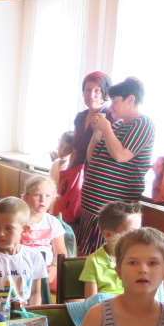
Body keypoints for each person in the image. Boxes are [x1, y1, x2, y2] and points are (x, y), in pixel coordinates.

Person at [77, 77, 156, 256]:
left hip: (112, 205)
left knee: (108, 255)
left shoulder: (143, 123)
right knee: (87, 256)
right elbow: (92, 158)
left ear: (130, 100)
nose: (111, 106)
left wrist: (106, 129)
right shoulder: (118, 125)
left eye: (115, 101)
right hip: (92, 203)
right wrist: (97, 133)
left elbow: (121, 155)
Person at [59, 73, 115, 229]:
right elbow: (75, 150)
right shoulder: (80, 116)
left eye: (97, 90)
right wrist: (68, 174)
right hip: (76, 176)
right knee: (70, 221)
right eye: (88, 90)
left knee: (90, 225)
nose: (92, 95)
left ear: (105, 93)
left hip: (96, 179)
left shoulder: (111, 117)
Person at [0, 198, 46, 309]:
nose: (1, 233)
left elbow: (35, 293)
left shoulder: (34, 256)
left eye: (9, 228)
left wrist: (31, 315)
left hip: (24, 314)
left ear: (25, 230)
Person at [81, 201, 142, 298]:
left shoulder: (140, 259)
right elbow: (91, 302)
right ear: (108, 234)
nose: (137, 237)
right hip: (105, 306)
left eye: (139, 231)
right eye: (131, 232)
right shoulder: (94, 261)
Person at [20, 175, 66, 289]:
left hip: (47, 268)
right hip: (21, 268)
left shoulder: (53, 222)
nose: (43, 200)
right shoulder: (18, 220)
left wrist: (54, 267)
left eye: (47, 196)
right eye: (37, 195)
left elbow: (61, 252)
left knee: (68, 286)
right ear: (25, 197)